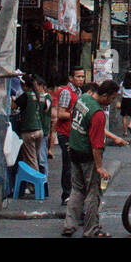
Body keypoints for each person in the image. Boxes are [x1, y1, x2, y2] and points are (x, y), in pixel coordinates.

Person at [63, 79, 124, 238]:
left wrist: (113, 137)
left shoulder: (83, 99)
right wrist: (99, 167)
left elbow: (85, 126)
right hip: (87, 156)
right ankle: (91, 230)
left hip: (74, 150)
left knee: (76, 189)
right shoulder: (98, 113)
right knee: (93, 193)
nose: (111, 103)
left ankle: (69, 225)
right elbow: (96, 146)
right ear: (104, 95)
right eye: (111, 99)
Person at [51, 69, 83, 204]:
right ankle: (66, 195)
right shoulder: (66, 92)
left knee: (76, 165)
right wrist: (74, 115)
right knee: (68, 165)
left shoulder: (79, 92)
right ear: (71, 78)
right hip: (65, 133)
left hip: (75, 133)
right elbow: (61, 114)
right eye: (78, 77)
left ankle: (74, 193)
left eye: (82, 77)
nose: (81, 79)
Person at [12, 73, 45, 174]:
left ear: (25, 86)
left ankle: (34, 185)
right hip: (39, 130)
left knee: (31, 160)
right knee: (36, 157)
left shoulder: (25, 96)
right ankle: (38, 181)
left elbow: (12, 106)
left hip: (28, 131)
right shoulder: (41, 96)